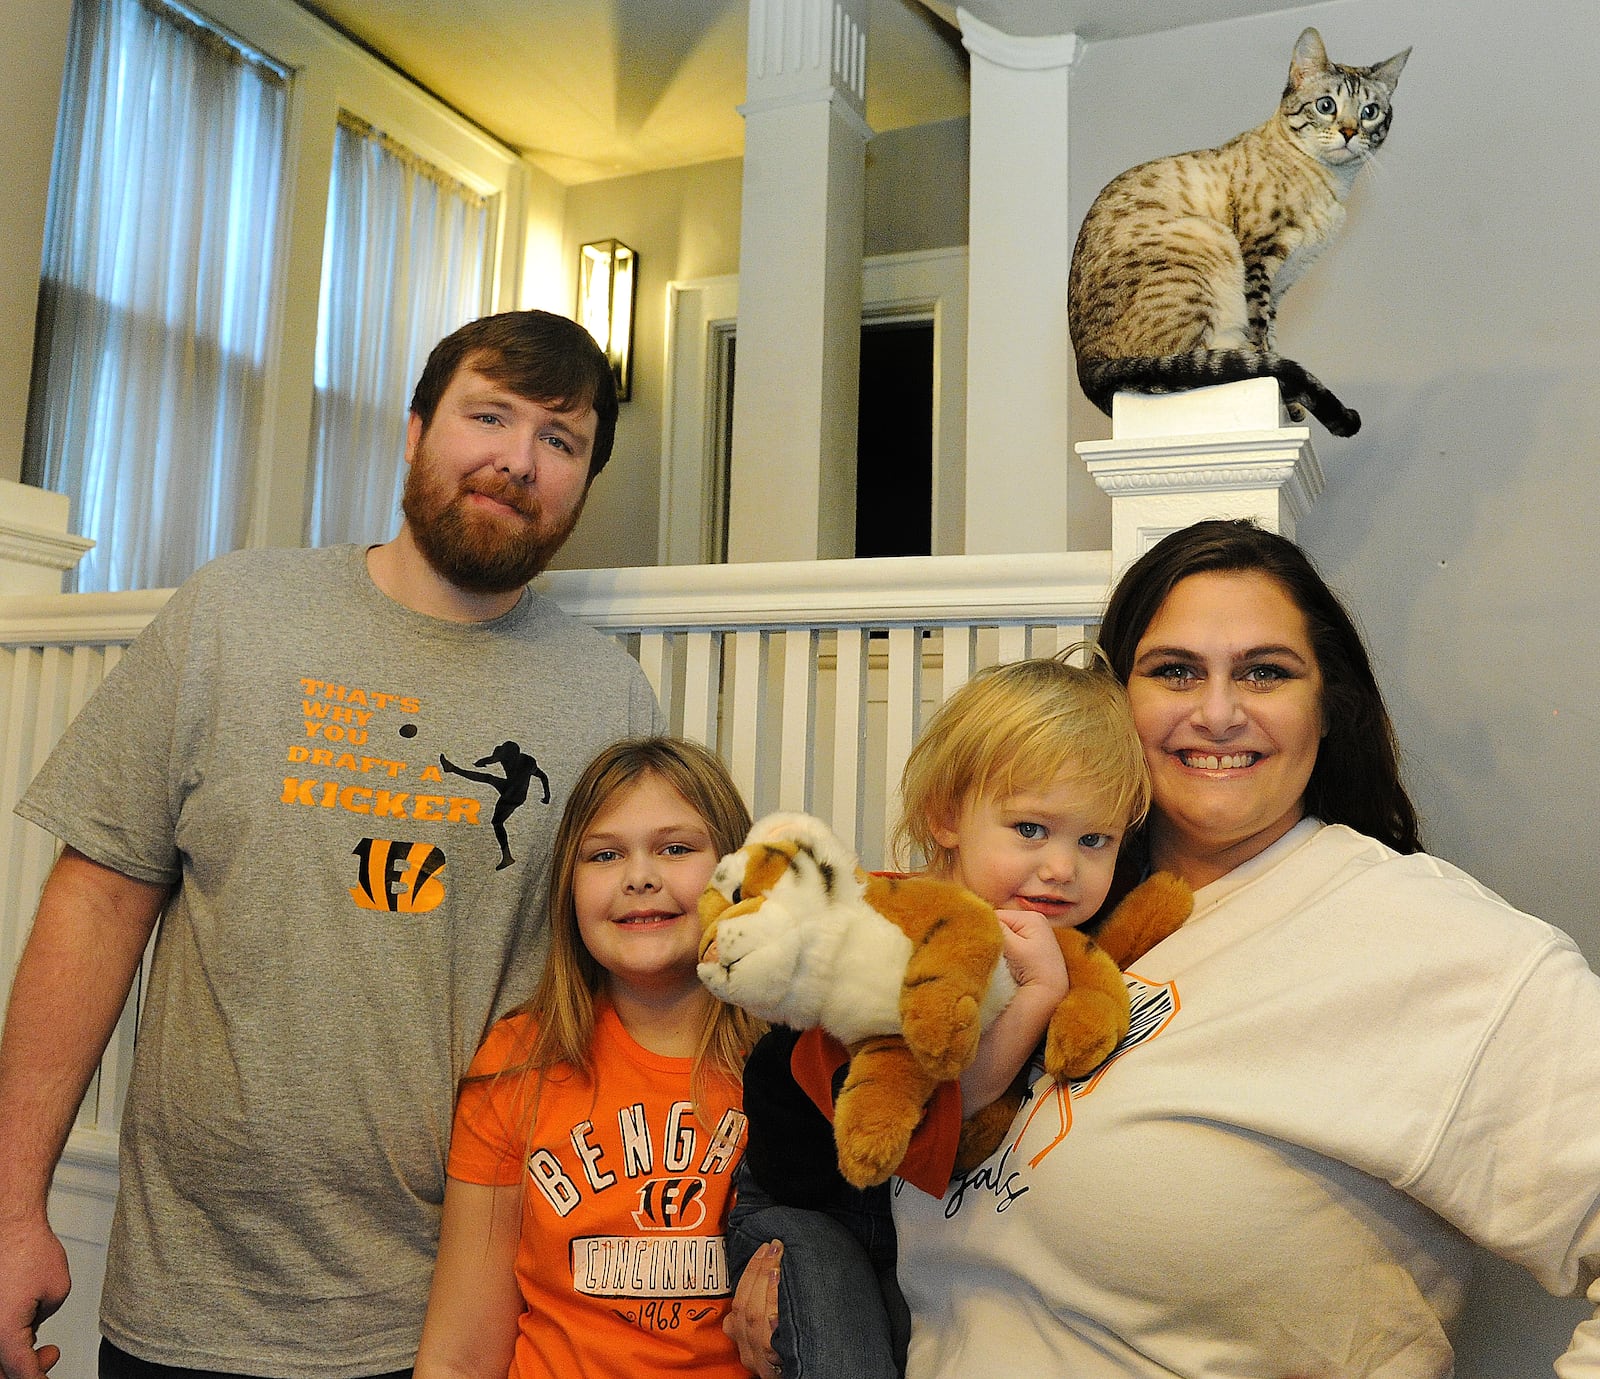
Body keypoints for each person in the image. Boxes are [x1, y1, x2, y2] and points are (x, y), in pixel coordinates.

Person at [0, 310, 664, 1379]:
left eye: (561, 439)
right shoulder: (233, 616)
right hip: (192, 1296)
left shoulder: (608, 695)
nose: (517, 459)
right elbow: (97, 903)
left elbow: (627, 992)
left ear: (584, 481)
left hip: (464, 1310)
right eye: (486, 414)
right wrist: (8, 1207)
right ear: (413, 430)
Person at [886, 518, 1600, 1376]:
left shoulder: (1432, 941)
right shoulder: (1054, 917)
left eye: (1265, 671)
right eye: (1175, 670)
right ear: (1118, 703)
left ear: (1328, 705)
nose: (1217, 712)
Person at [723, 652, 1152, 1379]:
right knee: (847, 1352)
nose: (1061, 867)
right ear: (947, 817)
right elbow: (937, 1103)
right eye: (1030, 829)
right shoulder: (896, 928)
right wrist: (1039, 997)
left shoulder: (1057, 935)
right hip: (811, 1205)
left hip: (913, 1219)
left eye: (1093, 840)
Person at [413, 735, 762, 1378]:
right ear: (569, 893)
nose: (639, 876)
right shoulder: (518, 1063)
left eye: (676, 848)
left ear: (737, 873)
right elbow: (461, 1354)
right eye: (604, 855)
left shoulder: (793, 1064)